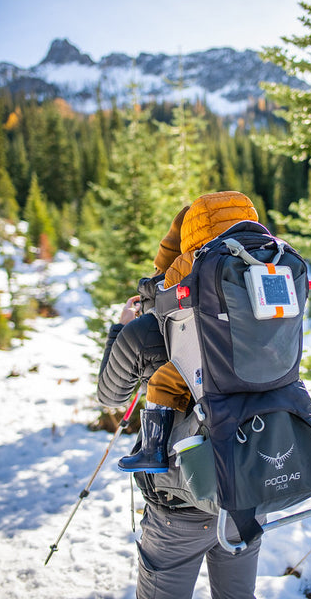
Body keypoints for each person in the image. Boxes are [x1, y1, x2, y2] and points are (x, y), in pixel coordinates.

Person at [97, 192, 264, 599]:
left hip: (179, 505)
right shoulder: (265, 305)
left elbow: (111, 394)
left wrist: (123, 329)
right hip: (246, 488)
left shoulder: (153, 324)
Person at [117, 191, 259, 473]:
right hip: (261, 355)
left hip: (211, 358)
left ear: (197, 225)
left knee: (163, 384)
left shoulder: (192, 259)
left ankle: (153, 451)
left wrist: (151, 288)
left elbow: (167, 294)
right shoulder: (266, 253)